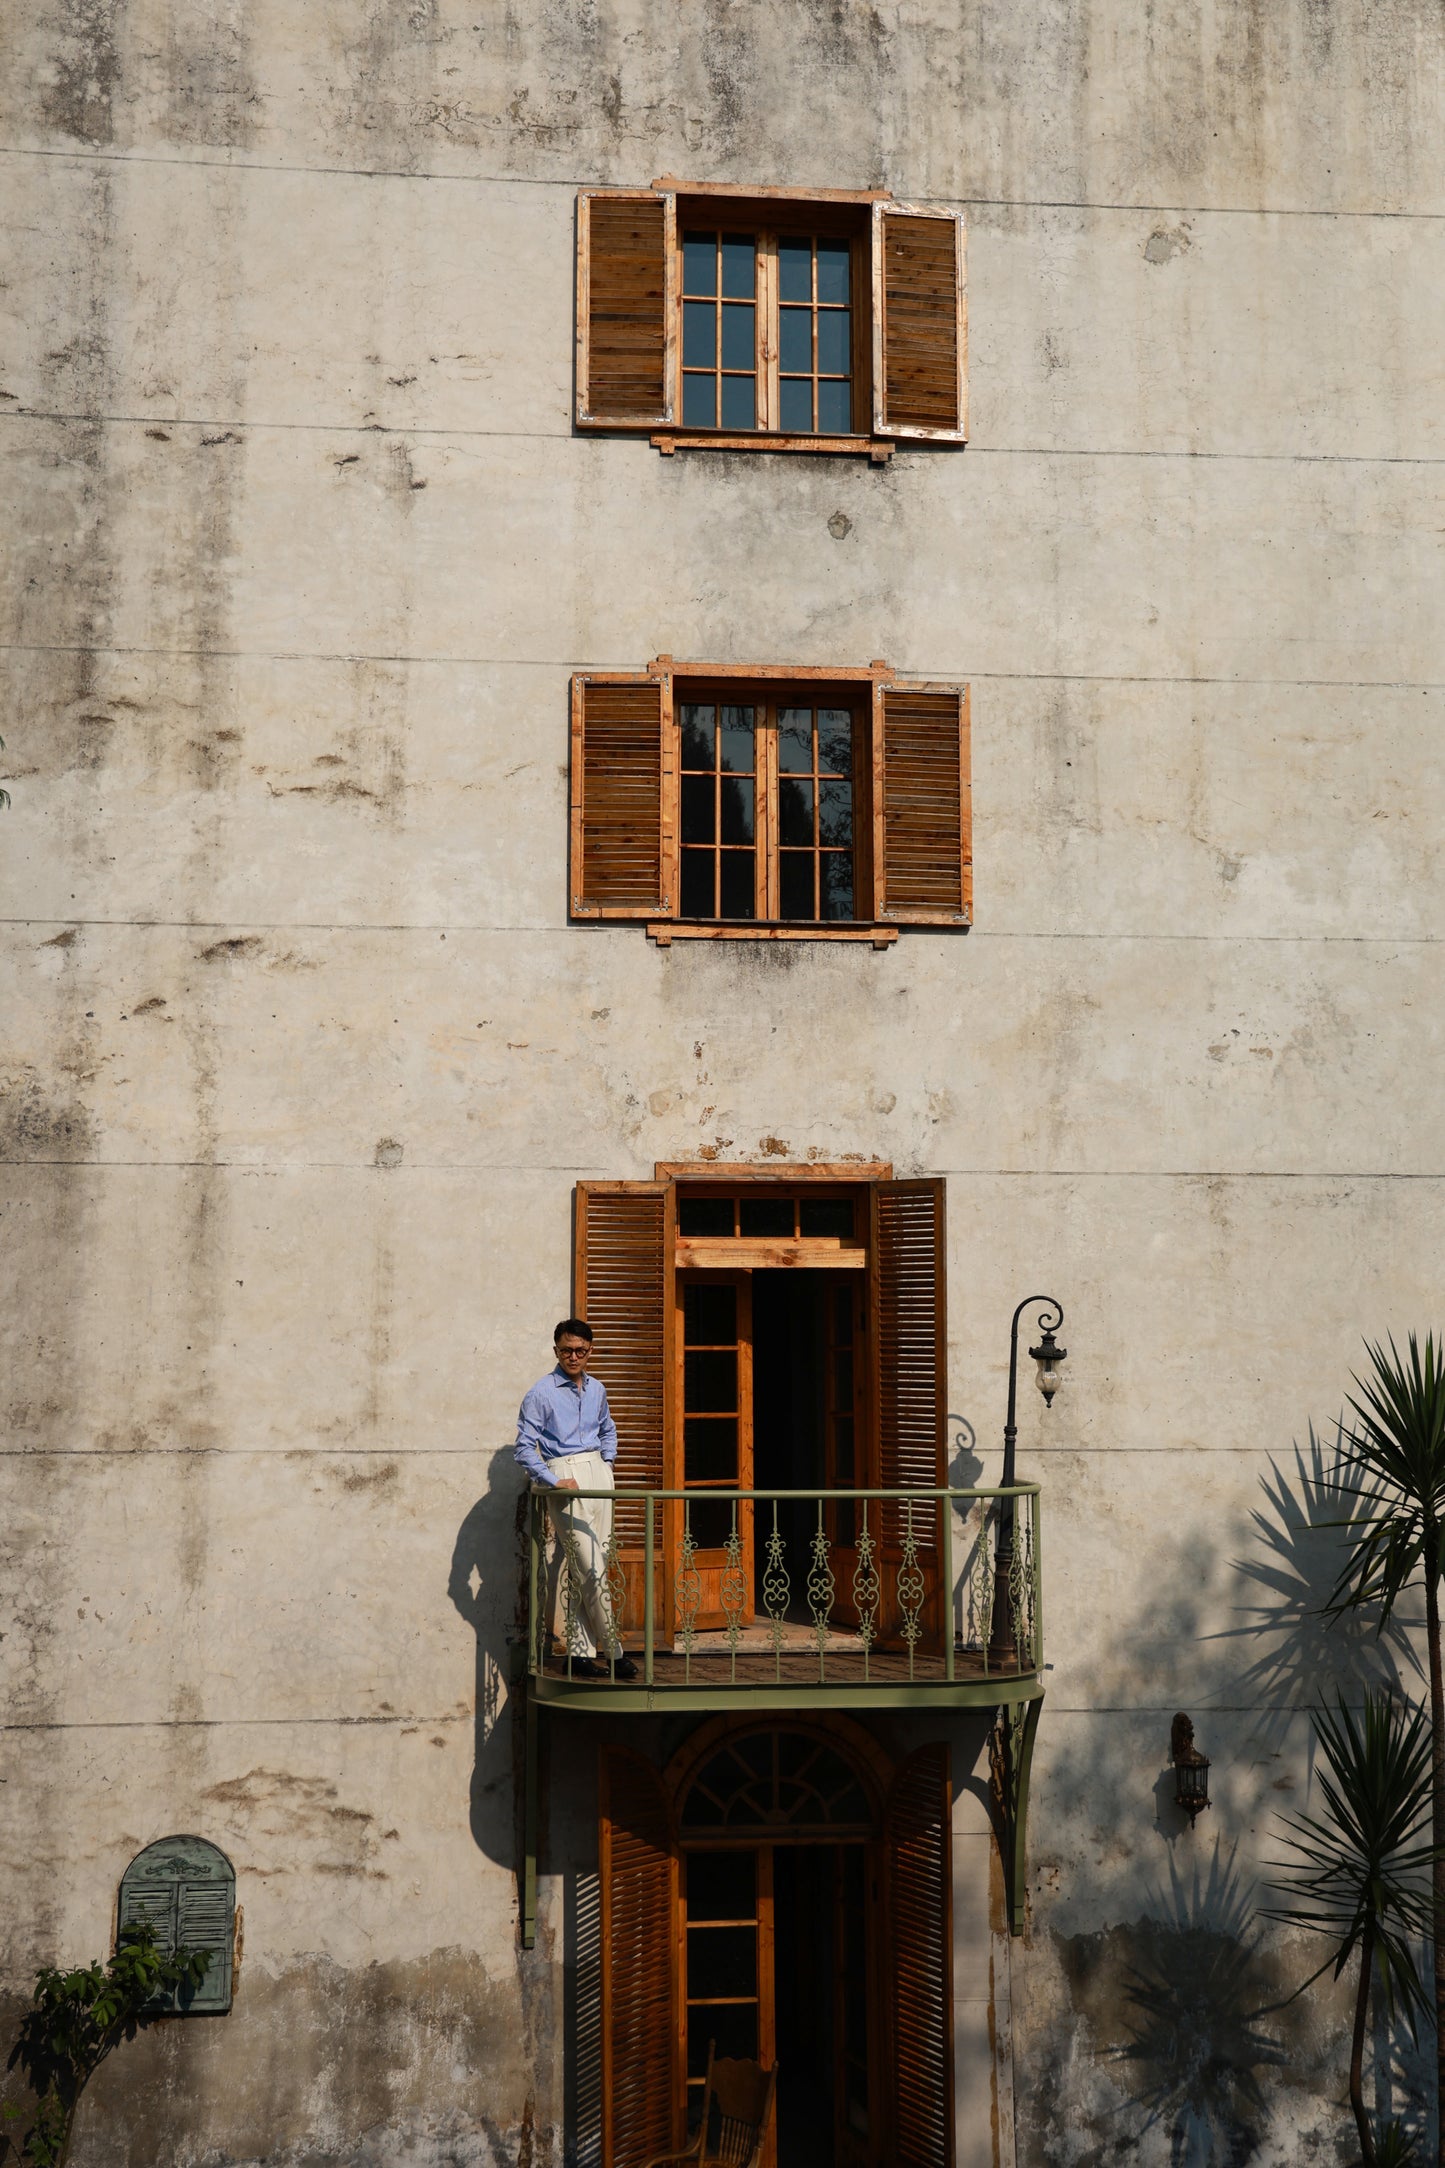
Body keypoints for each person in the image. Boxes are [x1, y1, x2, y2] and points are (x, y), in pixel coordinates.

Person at [515, 1318, 638, 1680]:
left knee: (591, 1566)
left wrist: (608, 1463)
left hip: (599, 1475)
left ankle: (580, 1655)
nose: (573, 1356)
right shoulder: (541, 1393)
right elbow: (524, 1448)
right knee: (592, 1569)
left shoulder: (597, 1389)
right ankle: (614, 1653)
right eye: (566, 1350)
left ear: (590, 1352)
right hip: (566, 1477)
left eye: (580, 1351)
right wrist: (553, 1479)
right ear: (556, 1350)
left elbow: (607, 1427)